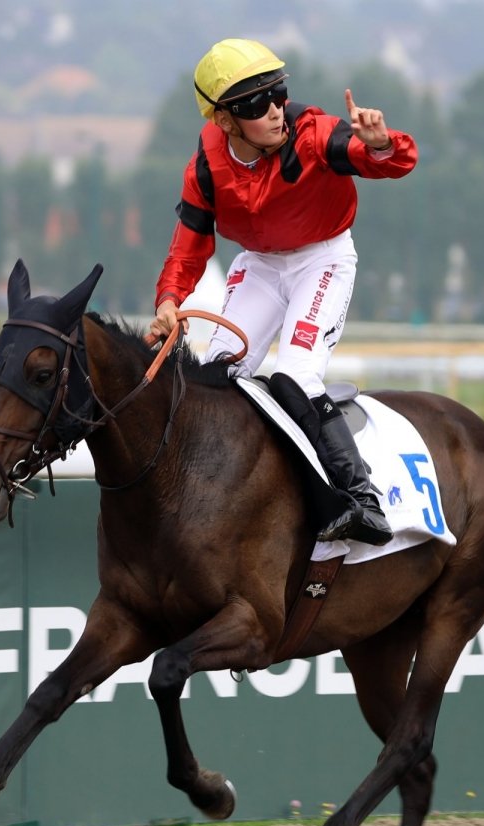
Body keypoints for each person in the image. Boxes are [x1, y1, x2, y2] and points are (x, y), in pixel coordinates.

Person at [149, 38, 418, 546]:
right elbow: (187, 248)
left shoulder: (315, 133)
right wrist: (168, 301)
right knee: (216, 378)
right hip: (260, 265)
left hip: (322, 260)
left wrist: (382, 142)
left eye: (278, 94)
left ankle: (362, 500)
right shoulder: (205, 166)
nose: (275, 111)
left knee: (294, 377)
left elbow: (390, 163)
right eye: (256, 103)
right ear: (224, 120)